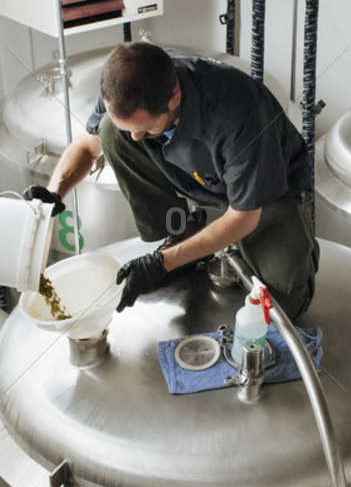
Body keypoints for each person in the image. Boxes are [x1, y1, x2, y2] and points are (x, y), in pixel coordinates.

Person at [25, 42, 319, 319]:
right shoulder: (127, 89)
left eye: (145, 129)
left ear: (174, 97)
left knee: (284, 303)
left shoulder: (237, 112)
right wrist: (55, 192)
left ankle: (296, 243)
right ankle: (179, 234)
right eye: (131, 129)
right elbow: (87, 147)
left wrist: (160, 263)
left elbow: (243, 218)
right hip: (200, 174)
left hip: (270, 187)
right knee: (109, 133)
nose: (136, 138)